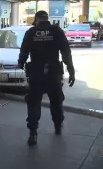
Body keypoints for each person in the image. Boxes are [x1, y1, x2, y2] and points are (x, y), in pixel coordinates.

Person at [18, 10, 75, 146]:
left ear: (37, 20)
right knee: (56, 101)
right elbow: (66, 52)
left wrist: (21, 63)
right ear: (46, 19)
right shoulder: (56, 31)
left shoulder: (31, 32)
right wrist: (71, 70)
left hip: (36, 74)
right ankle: (57, 126)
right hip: (53, 73)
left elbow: (24, 51)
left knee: (33, 103)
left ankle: (33, 133)